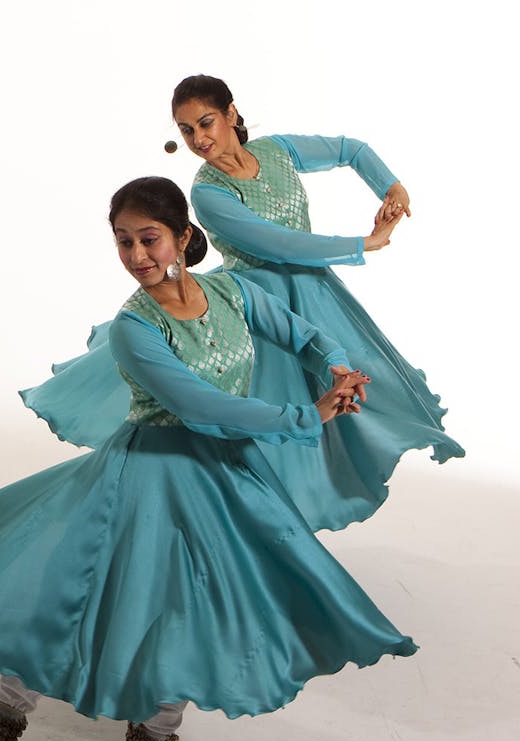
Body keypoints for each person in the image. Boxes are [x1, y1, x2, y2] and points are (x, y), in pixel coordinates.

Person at [0, 177, 416, 741]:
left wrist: (336, 366)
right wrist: (307, 412)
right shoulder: (136, 327)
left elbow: (304, 334)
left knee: (192, 625)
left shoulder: (233, 291)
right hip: (144, 479)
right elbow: (202, 408)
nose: (135, 253)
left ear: (184, 237)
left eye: (147, 237)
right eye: (123, 241)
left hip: (222, 483)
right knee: (58, 613)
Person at [24, 74, 461, 532]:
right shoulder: (207, 192)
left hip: (316, 294)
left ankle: (294, 514)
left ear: (231, 114)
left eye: (206, 122)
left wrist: (390, 186)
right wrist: (363, 243)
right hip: (257, 302)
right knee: (263, 411)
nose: (198, 139)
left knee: (360, 385)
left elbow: (350, 149)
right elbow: (280, 244)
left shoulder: (276, 151)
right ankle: (261, 520)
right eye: (186, 130)